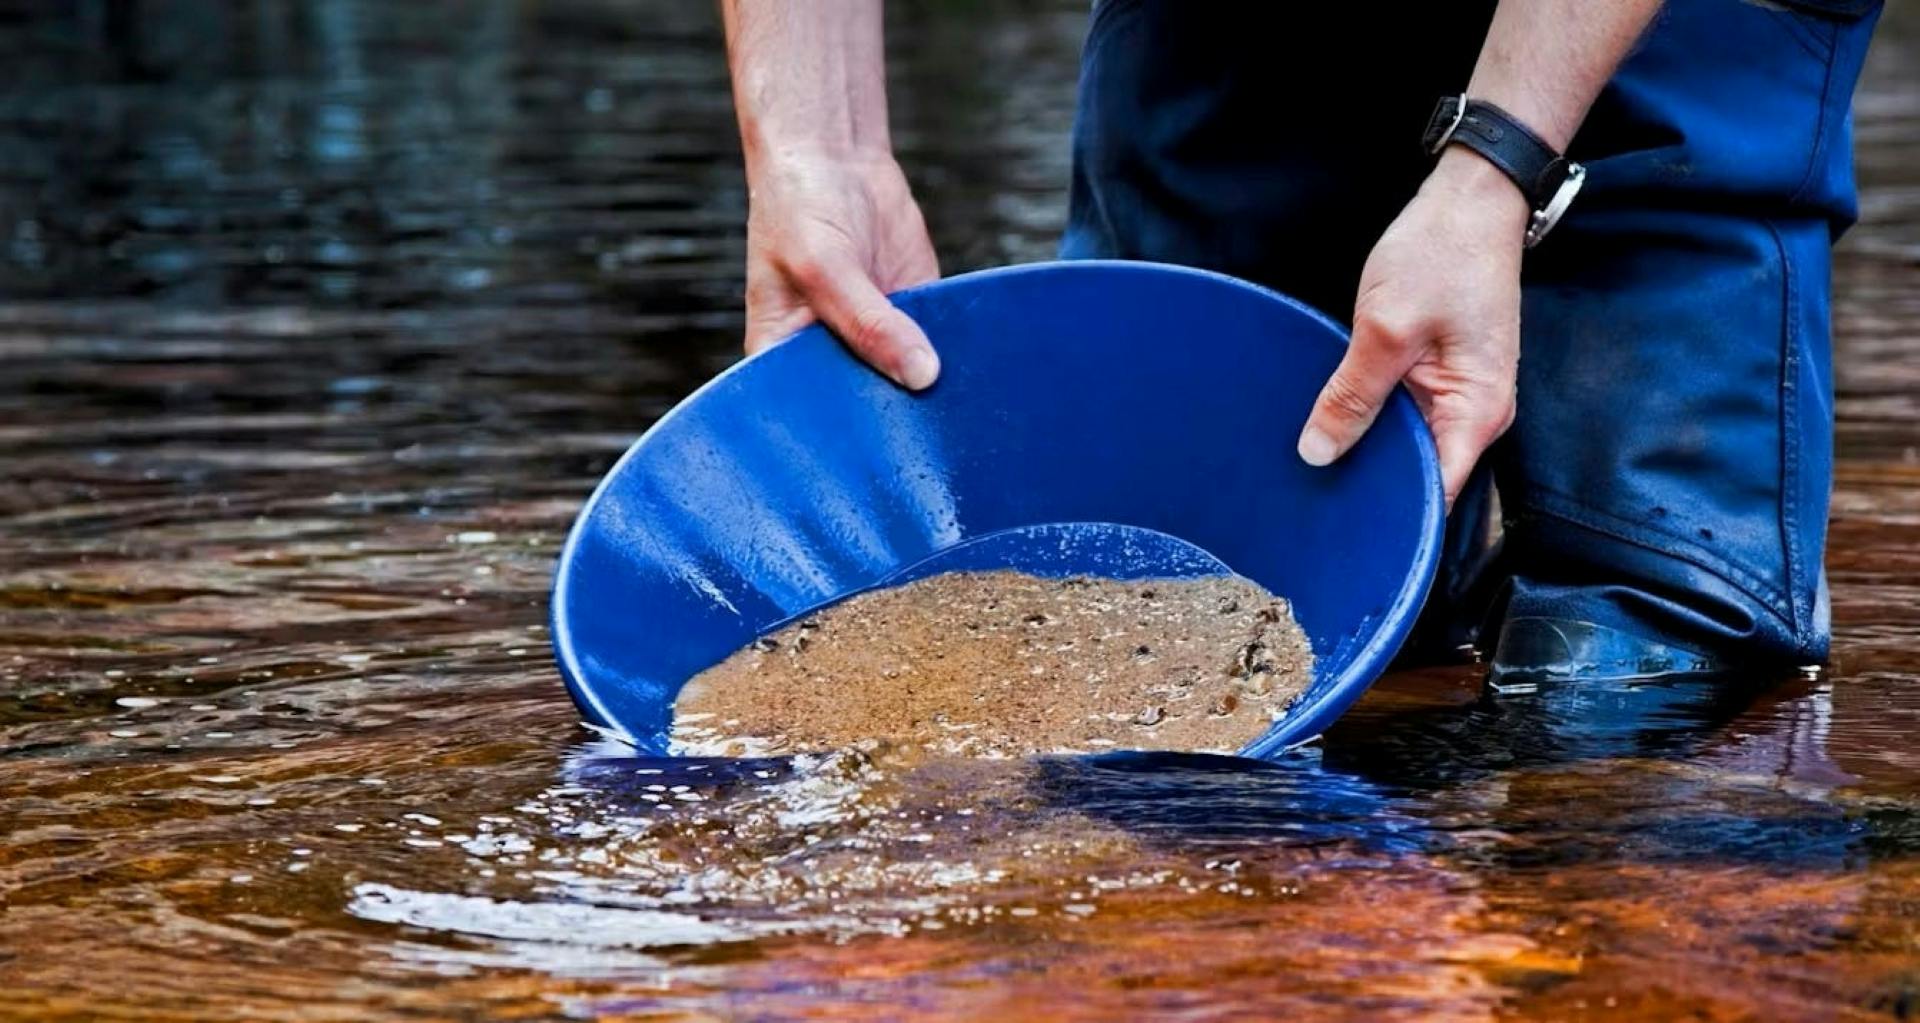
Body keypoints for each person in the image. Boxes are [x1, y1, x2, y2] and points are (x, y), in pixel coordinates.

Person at [717, 0, 1883, 686]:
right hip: (1229, 27)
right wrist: (819, 150)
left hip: (1671, 38)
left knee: (1619, 669)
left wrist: (1496, 174)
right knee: (1166, 603)